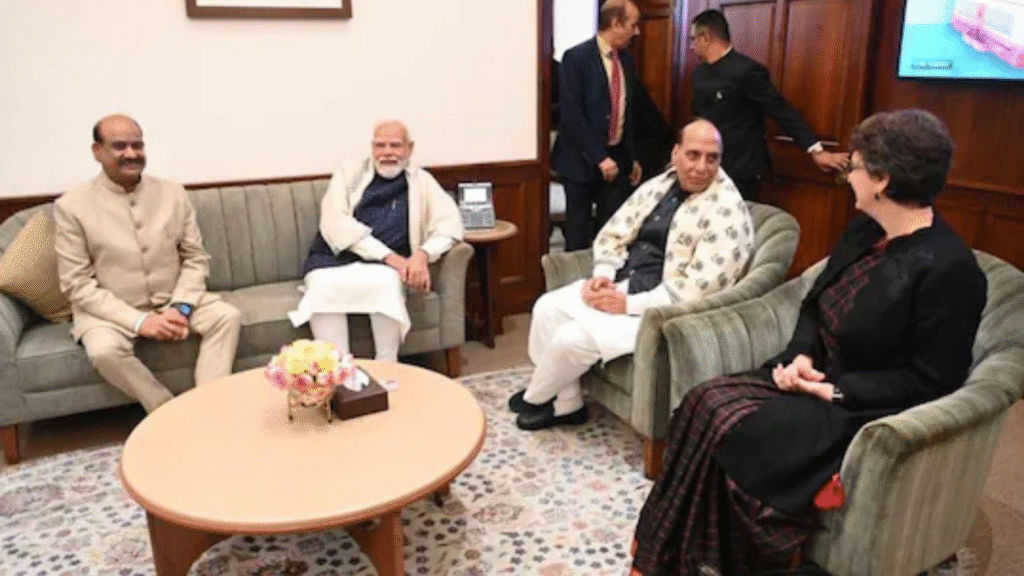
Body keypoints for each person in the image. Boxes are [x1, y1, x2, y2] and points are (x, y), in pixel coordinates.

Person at [630, 109, 987, 576]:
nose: (848, 175)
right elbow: (814, 306)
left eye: (854, 166)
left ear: (882, 180)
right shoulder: (866, 229)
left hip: (860, 407)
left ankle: (717, 559)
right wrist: (800, 355)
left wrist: (834, 391)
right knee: (701, 402)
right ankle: (670, 553)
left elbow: (934, 381)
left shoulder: (949, 269)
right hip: (815, 376)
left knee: (733, 429)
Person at [510, 119, 754, 431]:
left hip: (662, 310)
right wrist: (603, 274)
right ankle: (568, 403)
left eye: (712, 158)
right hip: (625, 283)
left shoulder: (727, 210)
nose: (702, 167)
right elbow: (616, 231)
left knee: (571, 339)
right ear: (676, 153)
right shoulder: (661, 185)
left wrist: (628, 305)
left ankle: (537, 397)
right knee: (547, 307)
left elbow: (698, 288)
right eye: (693, 155)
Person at [55, 114, 242, 412]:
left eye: (137, 145)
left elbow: (195, 259)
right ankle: (165, 410)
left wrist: (180, 309)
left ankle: (208, 408)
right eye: (119, 146)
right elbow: (77, 285)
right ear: (97, 151)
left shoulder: (172, 193)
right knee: (103, 351)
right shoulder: (71, 206)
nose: (131, 153)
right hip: (111, 311)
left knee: (226, 317)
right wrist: (141, 322)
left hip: (174, 300)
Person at [288, 120, 463, 361]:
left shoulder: (422, 181)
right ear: (372, 147)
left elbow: (450, 225)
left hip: (386, 268)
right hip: (333, 258)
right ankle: (338, 369)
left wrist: (422, 255)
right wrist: (391, 258)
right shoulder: (349, 173)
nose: (387, 152)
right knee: (322, 287)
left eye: (395, 145)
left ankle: (387, 365)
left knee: (387, 284)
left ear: (410, 149)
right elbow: (335, 222)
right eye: (380, 145)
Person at [688, 9, 849, 201]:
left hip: (740, 171)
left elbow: (780, 109)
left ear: (706, 38)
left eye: (693, 39)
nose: (691, 46)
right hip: (706, 167)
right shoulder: (699, 74)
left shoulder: (748, 71)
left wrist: (816, 150)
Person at [553, 0, 645, 252]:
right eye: (633, 25)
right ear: (615, 24)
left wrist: (633, 156)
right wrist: (599, 157)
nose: (637, 32)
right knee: (578, 234)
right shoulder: (576, 58)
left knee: (613, 231)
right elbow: (572, 115)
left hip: (617, 158)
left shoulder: (626, 60)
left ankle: (605, 283)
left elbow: (628, 110)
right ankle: (577, 286)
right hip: (581, 160)